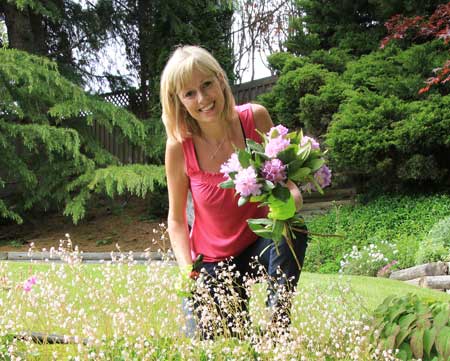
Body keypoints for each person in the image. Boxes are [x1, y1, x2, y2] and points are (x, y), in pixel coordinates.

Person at [160, 45, 308, 339]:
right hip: (214, 262)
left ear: (220, 80)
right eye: (189, 93)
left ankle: (277, 331)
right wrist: (187, 269)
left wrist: (289, 204)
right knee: (221, 343)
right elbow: (176, 220)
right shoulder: (179, 146)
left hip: (260, 245)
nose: (202, 99)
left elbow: (290, 187)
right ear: (178, 101)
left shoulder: (255, 119)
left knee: (294, 230)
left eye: (206, 85)